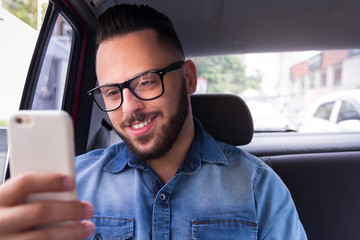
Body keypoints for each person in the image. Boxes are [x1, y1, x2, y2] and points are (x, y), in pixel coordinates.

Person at [0, 3, 307, 240]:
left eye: (146, 82)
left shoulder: (258, 188)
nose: (130, 107)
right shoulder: (73, 186)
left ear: (188, 79)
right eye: (111, 92)